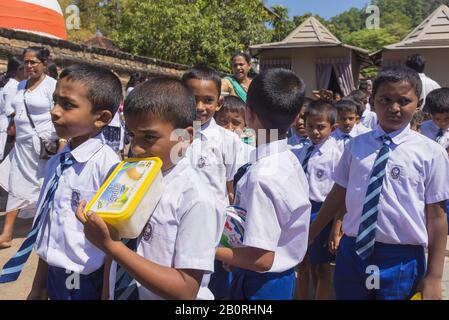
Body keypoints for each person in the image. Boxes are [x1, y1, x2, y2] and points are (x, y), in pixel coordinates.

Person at [75, 77, 224, 300]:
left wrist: (111, 246)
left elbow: (186, 289)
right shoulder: (126, 178)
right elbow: (114, 256)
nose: (135, 147)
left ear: (184, 138)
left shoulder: (195, 198)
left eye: (149, 137)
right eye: (132, 135)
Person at [310, 66, 449, 300]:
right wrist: (311, 233)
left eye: (404, 100)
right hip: (353, 251)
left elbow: (436, 216)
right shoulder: (355, 146)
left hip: (400, 258)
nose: (394, 108)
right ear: (372, 102)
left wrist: (434, 276)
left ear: (419, 103)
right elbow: (337, 194)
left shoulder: (431, 153)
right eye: (385, 100)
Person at [3, 64, 123, 299]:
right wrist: (38, 286)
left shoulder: (108, 167)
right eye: (55, 101)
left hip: (81, 277)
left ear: (102, 118)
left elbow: (113, 239)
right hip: (54, 271)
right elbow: (50, 228)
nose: (54, 112)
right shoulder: (58, 161)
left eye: (68, 105)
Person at [215, 68, 312, 300]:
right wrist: (235, 255)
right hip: (269, 277)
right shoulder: (285, 159)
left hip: (262, 284)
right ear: (299, 114)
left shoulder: (263, 176)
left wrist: (210, 250)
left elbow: (261, 258)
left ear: (248, 113)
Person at [182, 66, 252, 299]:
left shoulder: (228, 141)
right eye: (193, 99)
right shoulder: (171, 134)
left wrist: (234, 240)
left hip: (213, 234)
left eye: (208, 100)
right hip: (174, 227)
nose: (200, 107)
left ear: (219, 103)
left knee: (216, 291)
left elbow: (232, 188)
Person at [0, 47, 60, 249]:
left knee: (43, 186)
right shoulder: (21, 86)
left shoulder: (52, 86)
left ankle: (46, 230)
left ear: (44, 63)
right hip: (21, 147)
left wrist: (61, 140)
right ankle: (6, 233)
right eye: (26, 62)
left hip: (42, 148)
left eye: (33, 62)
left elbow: (59, 113)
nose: (29, 66)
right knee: (15, 185)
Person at [293, 100, 342, 300]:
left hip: (322, 212)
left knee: (322, 267)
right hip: (301, 211)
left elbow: (339, 194)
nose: (315, 132)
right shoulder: (302, 150)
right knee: (302, 262)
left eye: (320, 127)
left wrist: (335, 227)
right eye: (311, 126)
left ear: (333, 127)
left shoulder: (335, 154)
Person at [0, 56, 26, 161]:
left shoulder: (17, 85)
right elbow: (9, 110)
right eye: (25, 69)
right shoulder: (12, 87)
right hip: (7, 127)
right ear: (19, 70)